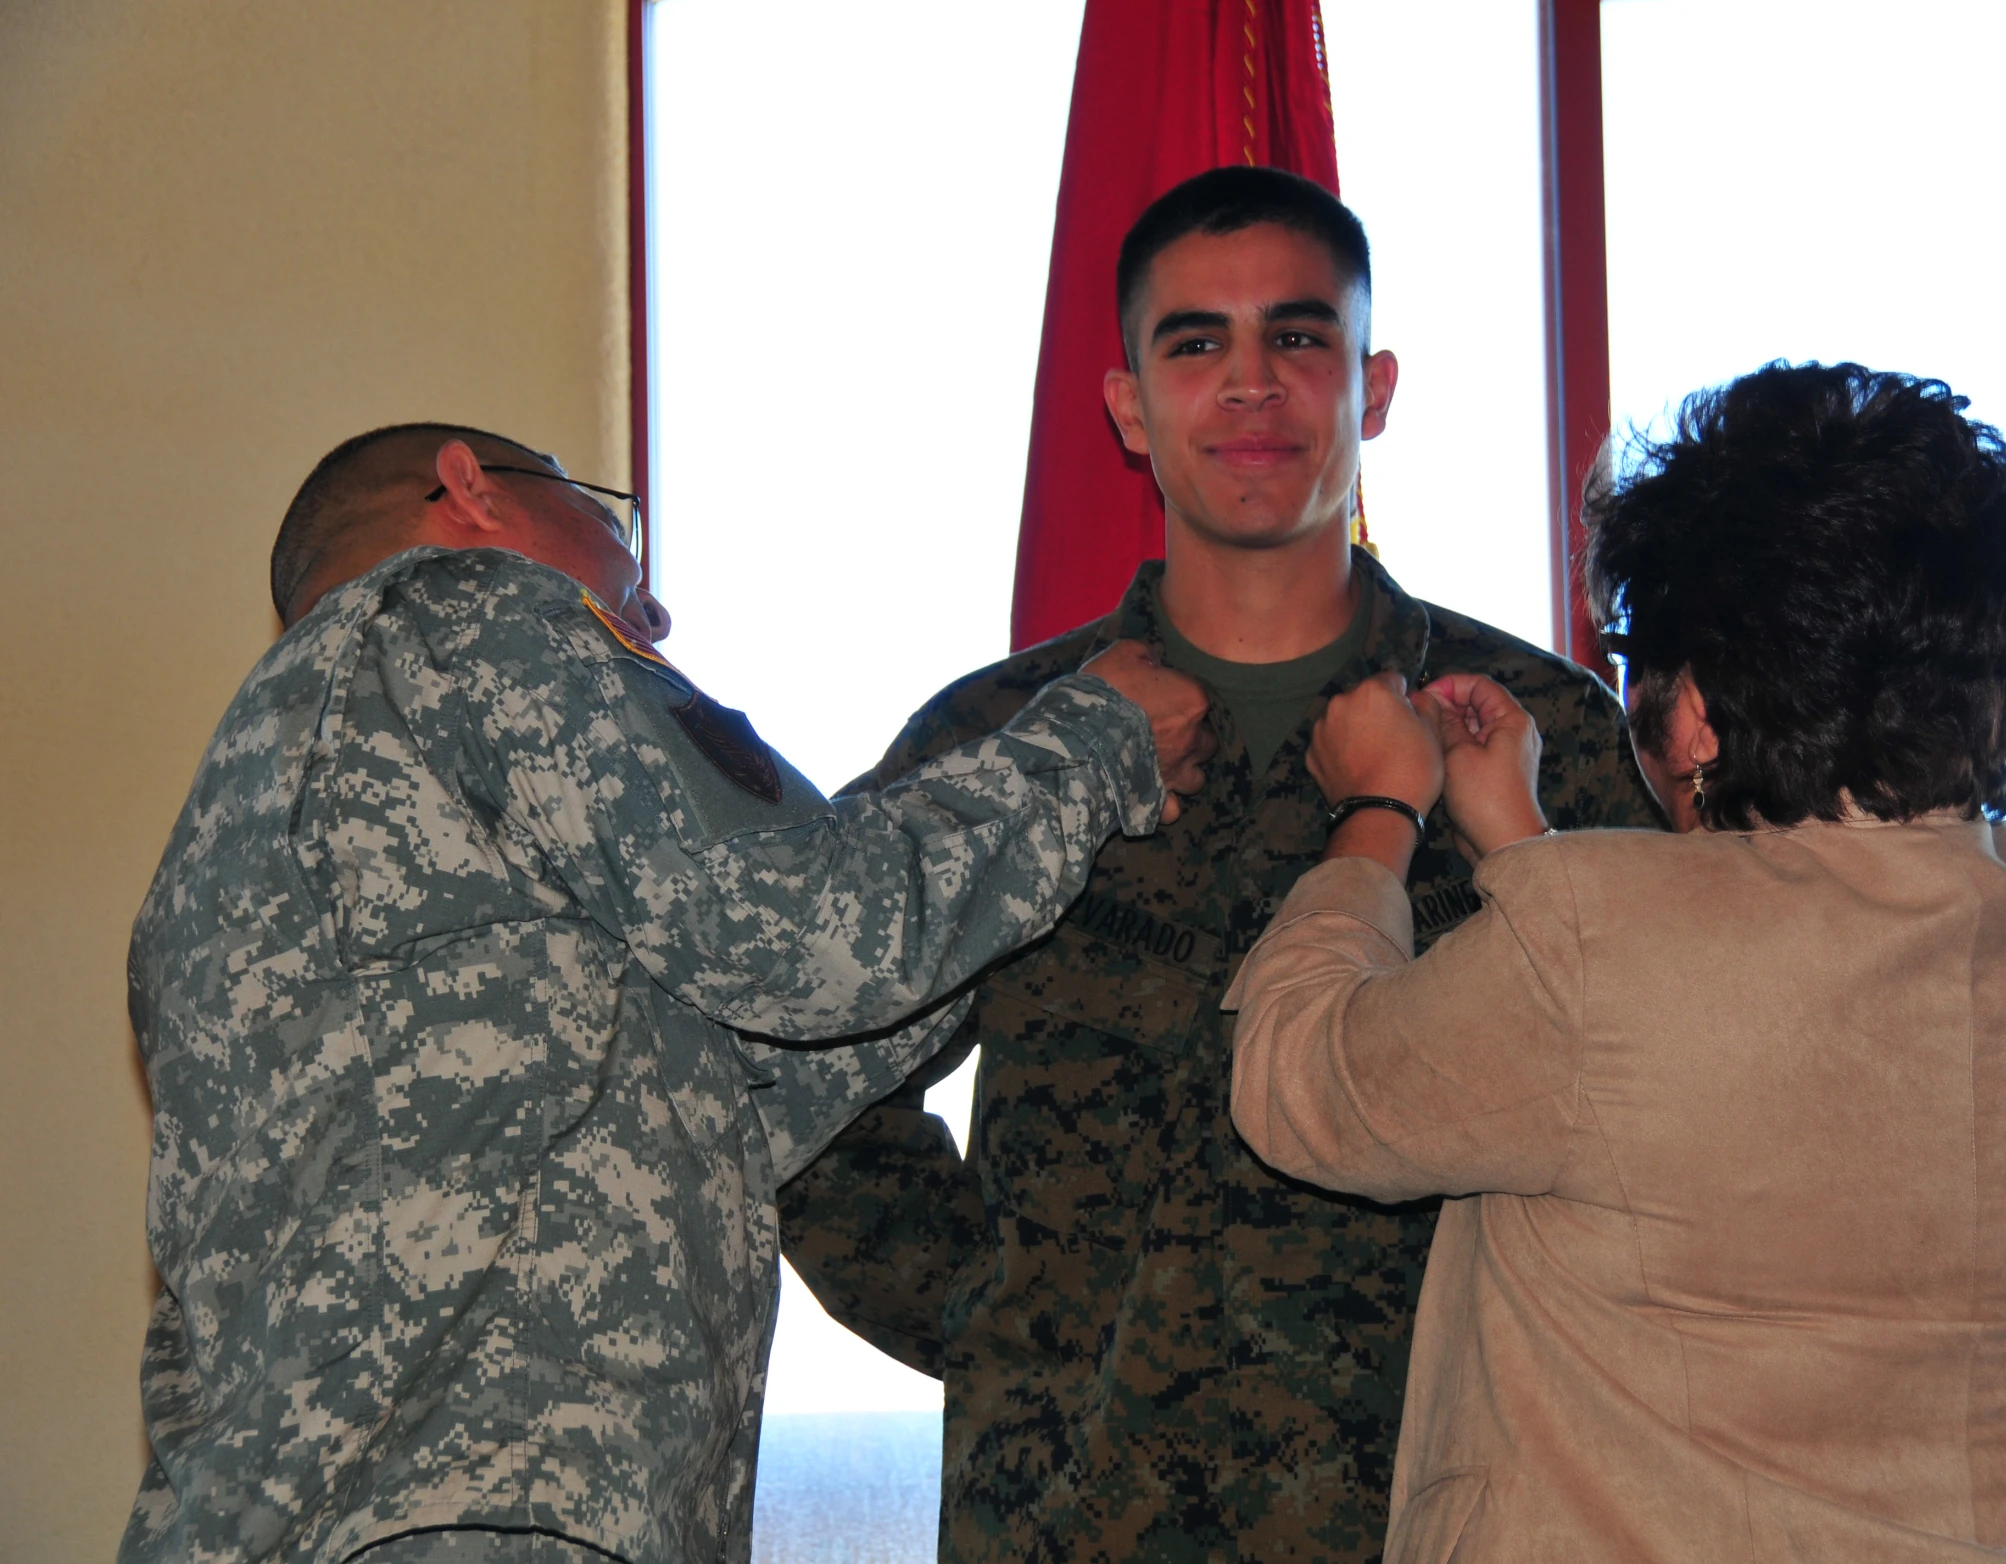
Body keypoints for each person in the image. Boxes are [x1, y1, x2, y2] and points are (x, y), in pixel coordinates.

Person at [125, 421, 1214, 1564]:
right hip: (489, 1504)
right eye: (610, 525)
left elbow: (737, 1086)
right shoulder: (466, 612)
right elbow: (797, 934)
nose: (648, 617)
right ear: (469, 489)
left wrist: (1030, 872)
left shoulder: (223, 847)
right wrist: (1093, 746)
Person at [775, 167, 1657, 1562]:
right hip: (1073, 1514)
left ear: (1368, 390)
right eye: (1195, 344)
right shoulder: (1000, 740)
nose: (1250, 387)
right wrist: (999, 1314)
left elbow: (1652, 1090)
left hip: (1445, 1503)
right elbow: (805, 1063)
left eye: (1296, 340)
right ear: (1128, 405)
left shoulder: (1532, 729)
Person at [1228, 362, 2006, 1562]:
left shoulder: (1597, 949)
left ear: (1690, 714)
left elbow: (1299, 1085)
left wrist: (1379, 809)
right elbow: (1739, 1070)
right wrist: (1529, 853)